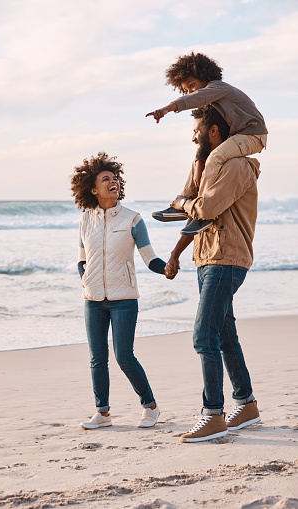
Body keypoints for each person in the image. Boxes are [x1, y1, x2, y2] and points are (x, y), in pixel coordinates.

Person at [165, 105, 261, 443]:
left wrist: (181, 202)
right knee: (223, 336)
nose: (193, 136)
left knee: (203, 336)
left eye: (197, 130)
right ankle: (247, 405)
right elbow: (193, 208)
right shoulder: (207, 165)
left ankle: (213, 415)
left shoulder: (237, 166)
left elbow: (202, 208)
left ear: (215, 131)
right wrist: (176, 253)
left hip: (228, 259)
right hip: (206, 258)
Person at [71, 152, 166, 430]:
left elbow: (150, 258)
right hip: (93, 300)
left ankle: (150, 406)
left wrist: (167, 268)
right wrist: (85, 279)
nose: (113, 183)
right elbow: (81, 258)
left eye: (115, 179)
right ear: (93, 188)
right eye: (106, 179)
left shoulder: (133, 219)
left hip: (124, 299)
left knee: (124, 355)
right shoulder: (86, 219)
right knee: (97, 358)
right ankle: (102, 413)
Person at [146, 51, 268, 236]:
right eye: (186, 90)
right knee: (202, 158)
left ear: (205, 77)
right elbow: (204, 140)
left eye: (192, 85)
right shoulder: (214, 101)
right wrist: (198, 163)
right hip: (238, 136)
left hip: (253, 135)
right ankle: (184, 202)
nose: (190, 92)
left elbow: (197, 98)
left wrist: (167, 109)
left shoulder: (219, 88)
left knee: (216, 156)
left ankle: (205, 214)